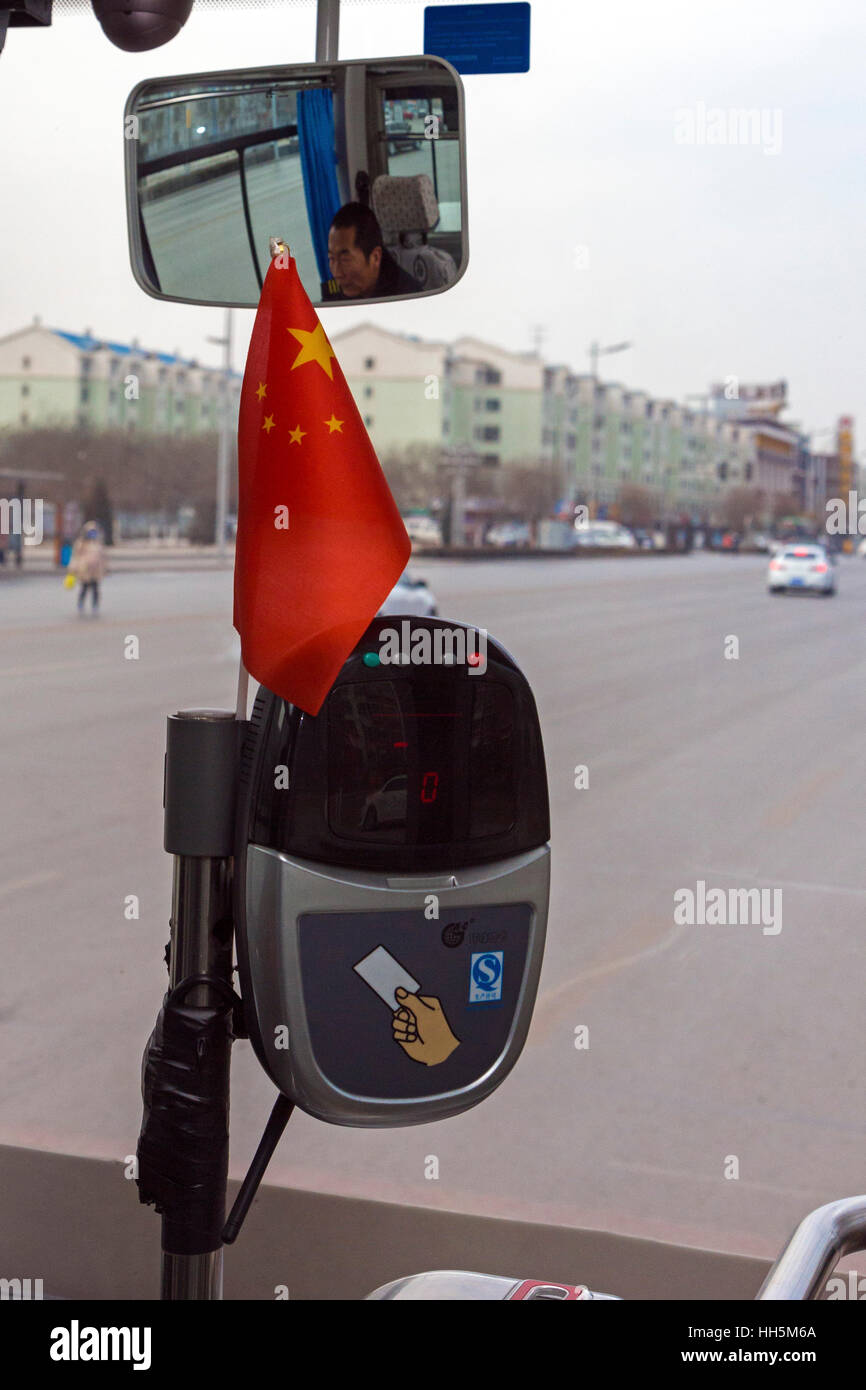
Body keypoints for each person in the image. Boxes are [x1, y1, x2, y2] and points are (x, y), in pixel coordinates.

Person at [324, 203, 422, 299]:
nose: (337, 273)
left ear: (375, 257)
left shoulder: (407, 298)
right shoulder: (334, 290)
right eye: (331, 258)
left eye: (345, 260)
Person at [70, 521, 106, 614]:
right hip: (84, 569)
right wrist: (73, 568)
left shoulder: (98, 543)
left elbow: (102, 557)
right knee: (84, 587)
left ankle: (95, 605)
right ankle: (80, 603)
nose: (92, 534)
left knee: (95, 588)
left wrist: (104, 568)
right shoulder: (81, 543)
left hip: (95, 571)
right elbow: (75, 557)